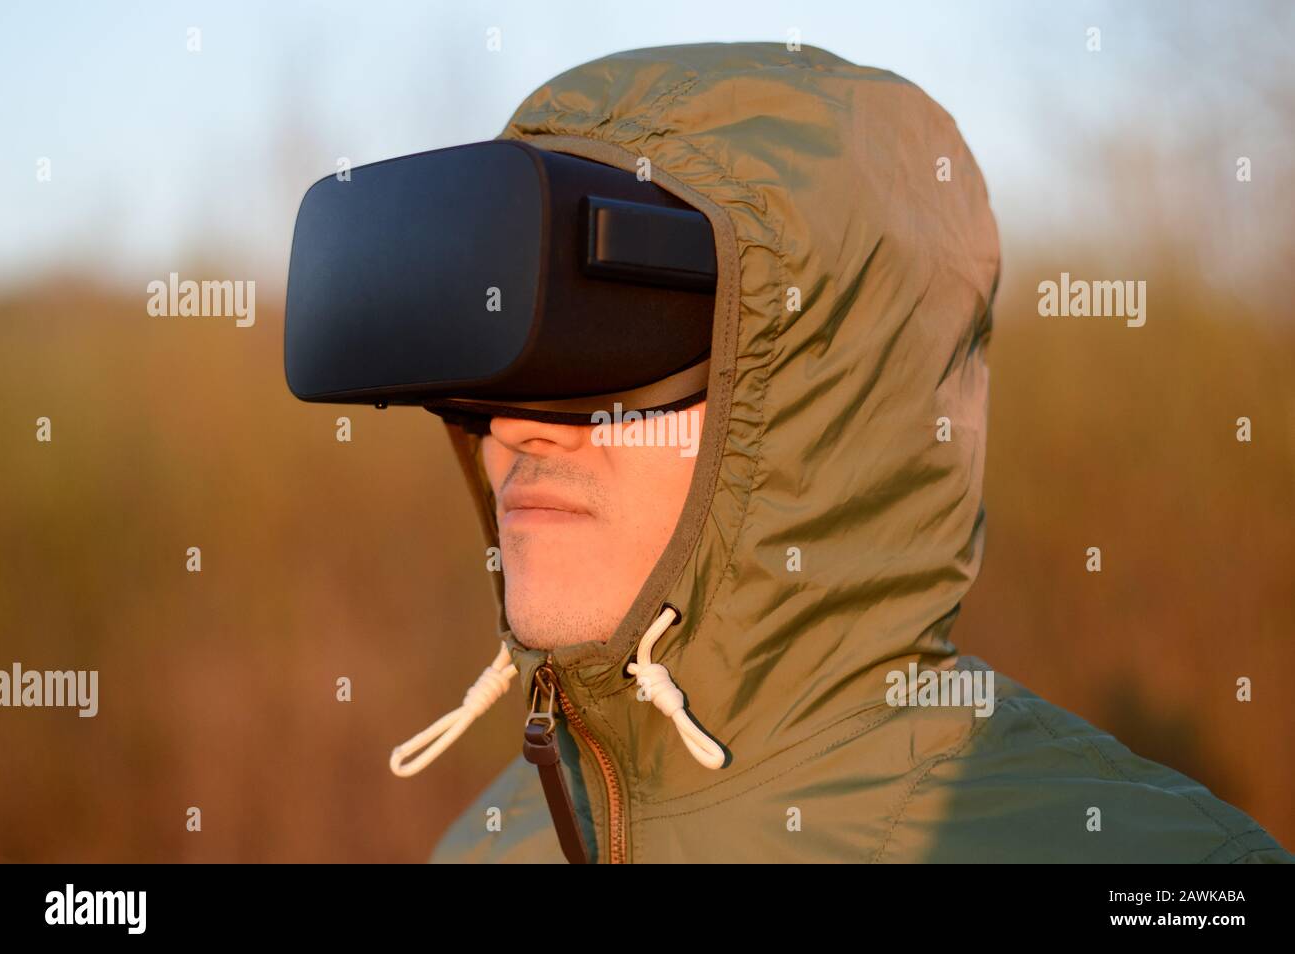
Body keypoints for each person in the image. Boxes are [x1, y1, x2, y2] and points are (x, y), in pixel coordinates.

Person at [405, 42, 1292, 863]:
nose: (520, 427)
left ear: (827, 401)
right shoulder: (485, 845)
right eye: (509, 363)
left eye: (611, 354)